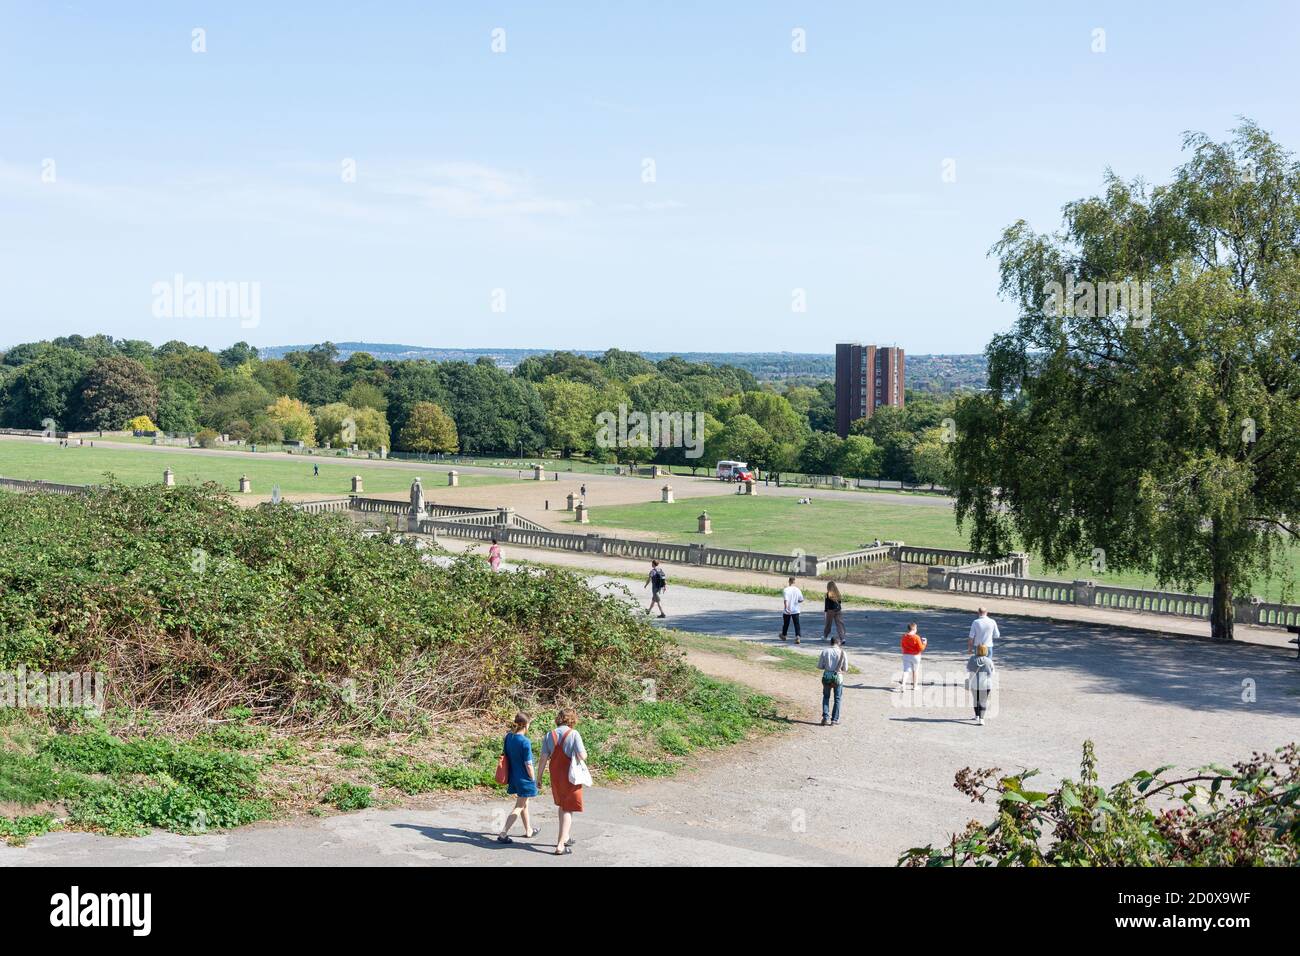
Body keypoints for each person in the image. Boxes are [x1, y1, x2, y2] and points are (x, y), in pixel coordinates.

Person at [538, 708, 588, 855]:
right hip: (570, 774)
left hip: (555, 772)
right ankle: (560, 845)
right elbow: (582, 755)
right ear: (572, 720)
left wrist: (539, 777)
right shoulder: (574, 734)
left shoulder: (549, 734)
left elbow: (543, 758)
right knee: (568, 808)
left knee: (562, 805)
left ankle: (565, 836)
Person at [496, 713, 538, 843]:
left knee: (524, 803)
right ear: (526, 725)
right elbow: (529, 764)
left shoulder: (508, 737)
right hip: (525, 779)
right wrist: (533, 779)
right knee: (519, 806)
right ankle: (503, 834)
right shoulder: (525, 742)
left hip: (514, 776)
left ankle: (529, 830)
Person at [818, 636, 848, 726]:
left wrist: (827, 667)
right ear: (839, 643)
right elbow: (845, 668)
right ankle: (834, 719)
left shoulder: (825, 651)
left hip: (827, 676)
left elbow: (820, 666)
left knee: (826, 697)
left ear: (830, 642)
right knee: (837, 699)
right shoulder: (843, 652)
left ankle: (825, 717)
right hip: (838, 678)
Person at [966, 644, 996, 725]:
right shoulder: (989, 660)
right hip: (986, 684)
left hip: (974, 683)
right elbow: (992, 673)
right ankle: (982, 719)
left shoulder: (972, 659)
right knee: (983, 701)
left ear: (977, 650)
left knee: (976, 700)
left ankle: (977, 716)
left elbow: (968, 669)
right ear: (986, 651)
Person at [899, 622, 927, 690]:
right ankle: (915, 686)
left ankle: (903, 684)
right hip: (915, 656)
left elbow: (902, 645)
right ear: (914, 629)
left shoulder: (904, 636)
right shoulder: (916, 637)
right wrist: (925, 643)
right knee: (915, 671)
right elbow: (921, 648)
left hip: (906, 655)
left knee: (906, 671)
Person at [780, 576, 804, 644]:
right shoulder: (797, 589)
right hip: (796, 610)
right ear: (794, 582)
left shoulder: (786, 590)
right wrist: (796, 602)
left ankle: (784, 635)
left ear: (789, 581)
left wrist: (786, 608)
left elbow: (786, 600)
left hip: (788, 609)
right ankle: (798, 636)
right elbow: (801, 599)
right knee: (796, 624)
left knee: (786, 624)